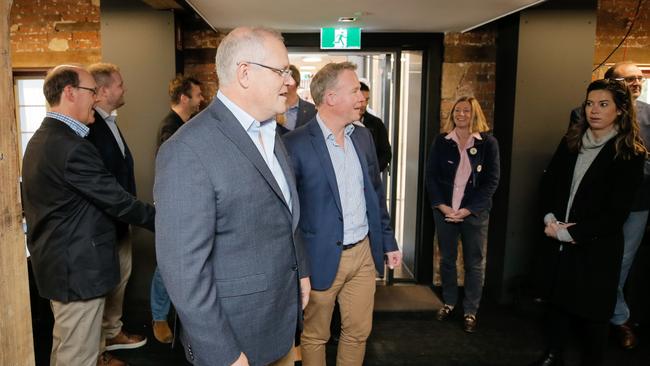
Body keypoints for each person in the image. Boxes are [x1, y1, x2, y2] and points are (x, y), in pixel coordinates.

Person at [154, 27, 310, 366]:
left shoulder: (271, 132)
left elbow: (284, 213)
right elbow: (183, 271)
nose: (290, 81)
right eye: (281, 70)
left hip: (279, 329)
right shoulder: (186, 150)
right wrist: (223, 353)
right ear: (244, 73)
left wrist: (301, 270)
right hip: (233, 342)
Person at [21, 65, 155, 366]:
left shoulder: (46, 138)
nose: (95, 99)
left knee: (68, 346)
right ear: (69, 93)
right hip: (76, 268)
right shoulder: (69, 146)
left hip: (64, 264)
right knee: (77, 355)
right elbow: (117, 201)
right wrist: (165, 220)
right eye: (91, 91)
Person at [284, 62, 402, 366]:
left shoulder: (362, 137)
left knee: (358, 332)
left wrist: (388, 241)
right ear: (331, 97)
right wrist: (299, 266)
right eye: (354, 91)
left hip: (363, 253)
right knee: (315, 336)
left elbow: (376, 194)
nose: (361, 97)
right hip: (319, 256)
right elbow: (288, 214)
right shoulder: (294, 145)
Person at [532, 79, 646, 366]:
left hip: (595, 246)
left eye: (603, 104)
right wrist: (550, 220)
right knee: (556, 305)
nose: (594, 110)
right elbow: (549, 185)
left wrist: (571, 234)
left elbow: (616, 213)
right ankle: (551, 356)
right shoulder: (571, 141)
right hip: (557, 236)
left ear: (620, 110)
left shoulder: (630, 152)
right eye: (590, 103)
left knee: (592, 317)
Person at [570, 61, 650, 349]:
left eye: (639, 78)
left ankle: (613, 318)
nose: (637, 84)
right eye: (630, 79)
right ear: (612, 82)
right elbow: (576, 157)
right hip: (595, 205)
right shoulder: (581, 115)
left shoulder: (649, 114)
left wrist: (628, 172)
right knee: (591, 261)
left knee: (620, 265)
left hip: (637, 203)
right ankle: (600, 317)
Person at [86, 63, 148, 356]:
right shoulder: (90, 128)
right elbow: (102, 185)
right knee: (104, 287)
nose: (124, 89)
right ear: (103, 90)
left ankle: (112, 333)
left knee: (119, 281)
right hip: (104, 226)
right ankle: (100, 350)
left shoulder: (108, 121)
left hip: (120, 222)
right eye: (120, 84)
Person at [425, 96, 500, 333]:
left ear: (474, 113)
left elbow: (491, 182)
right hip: (445, 212)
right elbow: (431, 177)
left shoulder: (488, 143)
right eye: (457, 110)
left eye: (466, 110)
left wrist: (467, 210)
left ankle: (470, 311)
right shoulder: (441, 141)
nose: (461, 114)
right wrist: (443, 206)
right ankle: (449, 302)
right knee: (447, 260)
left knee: (473, 264)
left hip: (474, 214)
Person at [150, 75, 204, 344]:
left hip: (189, 204)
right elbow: (171, 173)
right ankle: (159, 317)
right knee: (166, 264)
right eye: (197, 95)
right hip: (174, 207)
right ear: (184, 98)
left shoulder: (187, 124)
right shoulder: (169, 128)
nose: (201, 99)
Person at [359, 81, 392, 172]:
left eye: (367, 100)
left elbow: (386, 153)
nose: (364, 104)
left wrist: (373, 171)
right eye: (361, 100)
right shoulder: (344, 122)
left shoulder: (376, 123)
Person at [276, 64, 316, 135]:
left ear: (296, 84)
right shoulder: (271, 109)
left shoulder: (312, 110)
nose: (283, 86)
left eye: (287, 83)